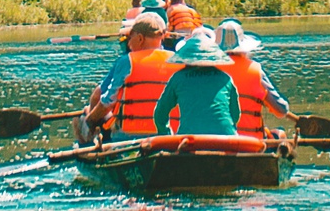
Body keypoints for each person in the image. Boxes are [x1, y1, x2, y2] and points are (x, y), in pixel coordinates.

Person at [84, 8, 174, 140]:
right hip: (169, 136)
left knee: (82, 121)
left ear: (140, 38)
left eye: (129, 38)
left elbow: (108, 101)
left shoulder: (127, 61)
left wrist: (89, 120)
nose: (128, 43)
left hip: (129, 136)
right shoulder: (176, 60)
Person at [152, 29, 245, 136]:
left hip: (189, 139)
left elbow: (160, 114)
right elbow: (235, 115)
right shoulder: (226, 79)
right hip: (226, 137)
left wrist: (166, 134)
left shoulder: (178, 78)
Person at [214, 18, 290, 136]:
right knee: (280, 134)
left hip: (216, 143)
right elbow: (282, 111)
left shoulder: (208, 70)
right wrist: (263, 99)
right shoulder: (256, 72)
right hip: (252, 144)